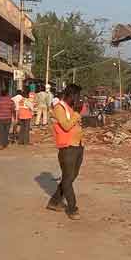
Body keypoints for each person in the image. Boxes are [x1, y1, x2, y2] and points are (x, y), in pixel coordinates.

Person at [47, 83, 84, 221]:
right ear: (72, 95)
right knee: (68, 179)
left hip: (78, 146)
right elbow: (66, 126)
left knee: (71, 177)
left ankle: (54, 201)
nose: (79, 99)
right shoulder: (59, 107)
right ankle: (72, 208)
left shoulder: (70, 108)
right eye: (78, 96)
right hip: (67, 147)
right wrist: (77, 113)